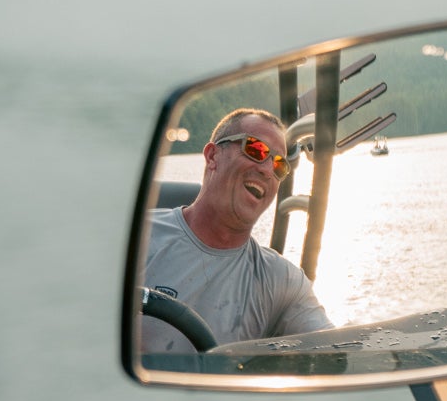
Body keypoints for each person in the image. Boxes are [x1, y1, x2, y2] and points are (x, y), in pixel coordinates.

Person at [140, 107, 332, 355]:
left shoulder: (281, 281)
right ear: (212, 157)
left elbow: (333, 347)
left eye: (278, 165)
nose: (266, 169)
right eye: (255, 149)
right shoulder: (138, 238)